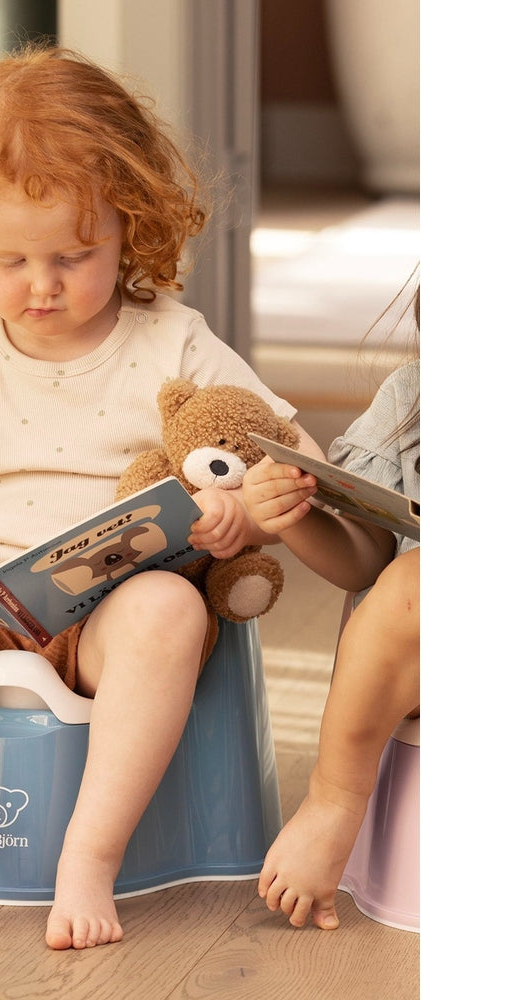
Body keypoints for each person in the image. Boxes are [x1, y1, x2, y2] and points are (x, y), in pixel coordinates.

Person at [0, 45, 323, 952]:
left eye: (74, 256)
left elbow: (289, 456)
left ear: (130, 227)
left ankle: (89, 856)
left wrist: (243, 516)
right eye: (9, 259)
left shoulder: (172, 343)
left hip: (111, 618)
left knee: (168, 609)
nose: (41, 284)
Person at [242, 271, 420, 931]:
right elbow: (365, 560)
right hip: (421, 659)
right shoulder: (415, 396)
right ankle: (334, 801)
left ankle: (337, 797)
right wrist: (295, 518)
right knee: (409, 582)